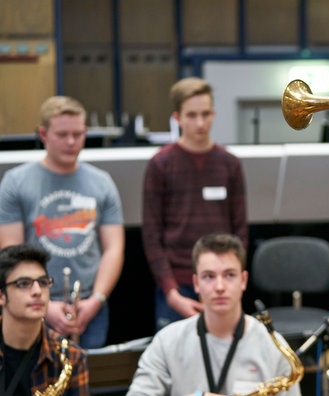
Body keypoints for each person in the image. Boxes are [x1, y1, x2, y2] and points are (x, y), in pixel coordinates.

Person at [0, 96, 125, 349]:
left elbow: (114, 248)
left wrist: (97, 300)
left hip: (90, 305)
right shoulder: (16, 182)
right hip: (34, 303)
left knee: (87, 382)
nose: (71, 142)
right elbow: (11, 253)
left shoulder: (102, 182)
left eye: (78, 134)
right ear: (43, 134)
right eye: (62, 134)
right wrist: (46, 304)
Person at [127, 233, 301, 396]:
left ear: (244, 280)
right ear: (196, 283)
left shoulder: (274, 347)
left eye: (230, 275)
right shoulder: (167, 342)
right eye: (209, 276)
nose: (219, 287)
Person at [142, 77, 249, 331]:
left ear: (213, 114)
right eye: (191, 115)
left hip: (220, 284)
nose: (200, 123)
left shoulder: (229, 164)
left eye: (205, 114)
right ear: (177, 118)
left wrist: (230, 281)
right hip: (178, 288)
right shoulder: (161, 165)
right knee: (175, 364)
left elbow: (240, 231)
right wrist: (171, 292)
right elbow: (152, 236)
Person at [0, 244, 89, 395]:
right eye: (23, 284)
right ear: (1, 296)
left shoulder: (71, 356)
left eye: (43, 282)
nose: (37, 291)